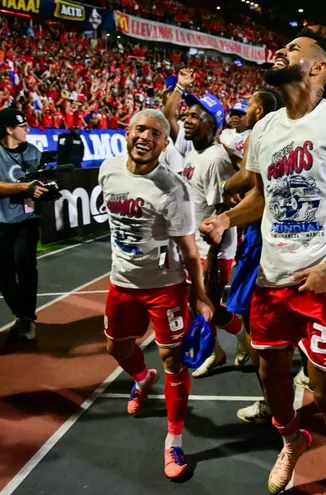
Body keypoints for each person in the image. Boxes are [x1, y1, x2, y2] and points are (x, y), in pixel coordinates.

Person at [200, 28, 326, 495]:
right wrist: (226, 219)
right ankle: (292, 439)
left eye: (294, 49)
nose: (282, 51)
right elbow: (261, 197)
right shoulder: (266, 128)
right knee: (270, 374)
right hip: (272, 277)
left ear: (319, 67)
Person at [99, 109, 214, 479]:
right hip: (121, 283)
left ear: (165, 144)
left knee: (174, 362)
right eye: (140, 129)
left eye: (155, 133)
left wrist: (199, 294)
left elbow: (190, 250)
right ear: (127, 133)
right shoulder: (108, 170)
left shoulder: (174, 189)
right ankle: (141, 379)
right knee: (116, 348)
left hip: (165, 287)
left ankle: (174, 442)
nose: (145, 137)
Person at [215, 88, 286, 424]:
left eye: (249, 108)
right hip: (278, 236)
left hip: (262, 235)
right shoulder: (285, 132)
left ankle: (273, 404)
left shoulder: (261, 134)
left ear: (258, 111)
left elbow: (248, 179)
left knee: (250, 314)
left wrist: (224, 189)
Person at [178, 91, 247, 377]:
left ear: (212, 123)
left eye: (195, 116)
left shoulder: (217, 159)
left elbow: (222, 211)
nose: (187, 119)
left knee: (208, 306)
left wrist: (212, 258)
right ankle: (219, 349)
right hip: (195, 245)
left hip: (213, 250)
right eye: (187, 114)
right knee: (196, 303)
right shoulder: (192, 152)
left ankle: (239, 341)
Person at [0, 108, 53, 341]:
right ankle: (20, 312)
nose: (28, 129)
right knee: (2, 271)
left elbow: (40, 182)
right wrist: (24, 187)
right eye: (23, 126)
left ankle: (26, 318)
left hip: (26, 220)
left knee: (26, 266)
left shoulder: (33, 151)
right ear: (9, 129)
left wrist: (46, 189)